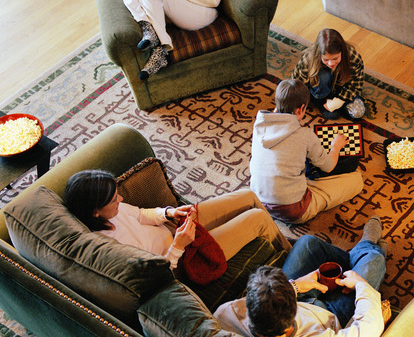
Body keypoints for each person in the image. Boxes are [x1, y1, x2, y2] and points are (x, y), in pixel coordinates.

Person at [63, 170, 291, 270]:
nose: (120, 199)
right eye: (114, 200)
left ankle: (283, 243)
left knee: (247, 195)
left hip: (175, 228)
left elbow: (141, 215)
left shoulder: (114, 209)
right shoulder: (109, 248)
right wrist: (178, 246)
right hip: (184, 261)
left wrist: (169, 213)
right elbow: (157, 275)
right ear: (95, 212)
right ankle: (290, 257)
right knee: (258, 218)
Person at [214, 216, 387, 337]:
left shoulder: (225, 314)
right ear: (289, 326)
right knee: (374, 260)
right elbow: (369, 327)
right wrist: (360, 284)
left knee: (307, 243)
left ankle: (364, 251)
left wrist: (295, 286)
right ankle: (368, 247)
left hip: (298, 301)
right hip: (333, 316)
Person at [249, 79, 364, 224]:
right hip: (294, 210)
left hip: (258, 200)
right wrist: (336, 146)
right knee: (356, 180)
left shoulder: (259, 124)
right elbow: (329, 166)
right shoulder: (304, 135)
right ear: (301, 109)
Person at [292, 28, 366, 120]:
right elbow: (296, 82)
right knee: (332, 115)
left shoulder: (353, 58)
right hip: (320, 89)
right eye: (326, 59)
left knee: (358, 112)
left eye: (335, 58)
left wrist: (338, 101)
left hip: (344, 89)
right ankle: (321, 100)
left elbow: (356, 84)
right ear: (319, 54)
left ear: (342, 52)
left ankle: (336, 103)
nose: (331, 63)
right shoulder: (308, 59)